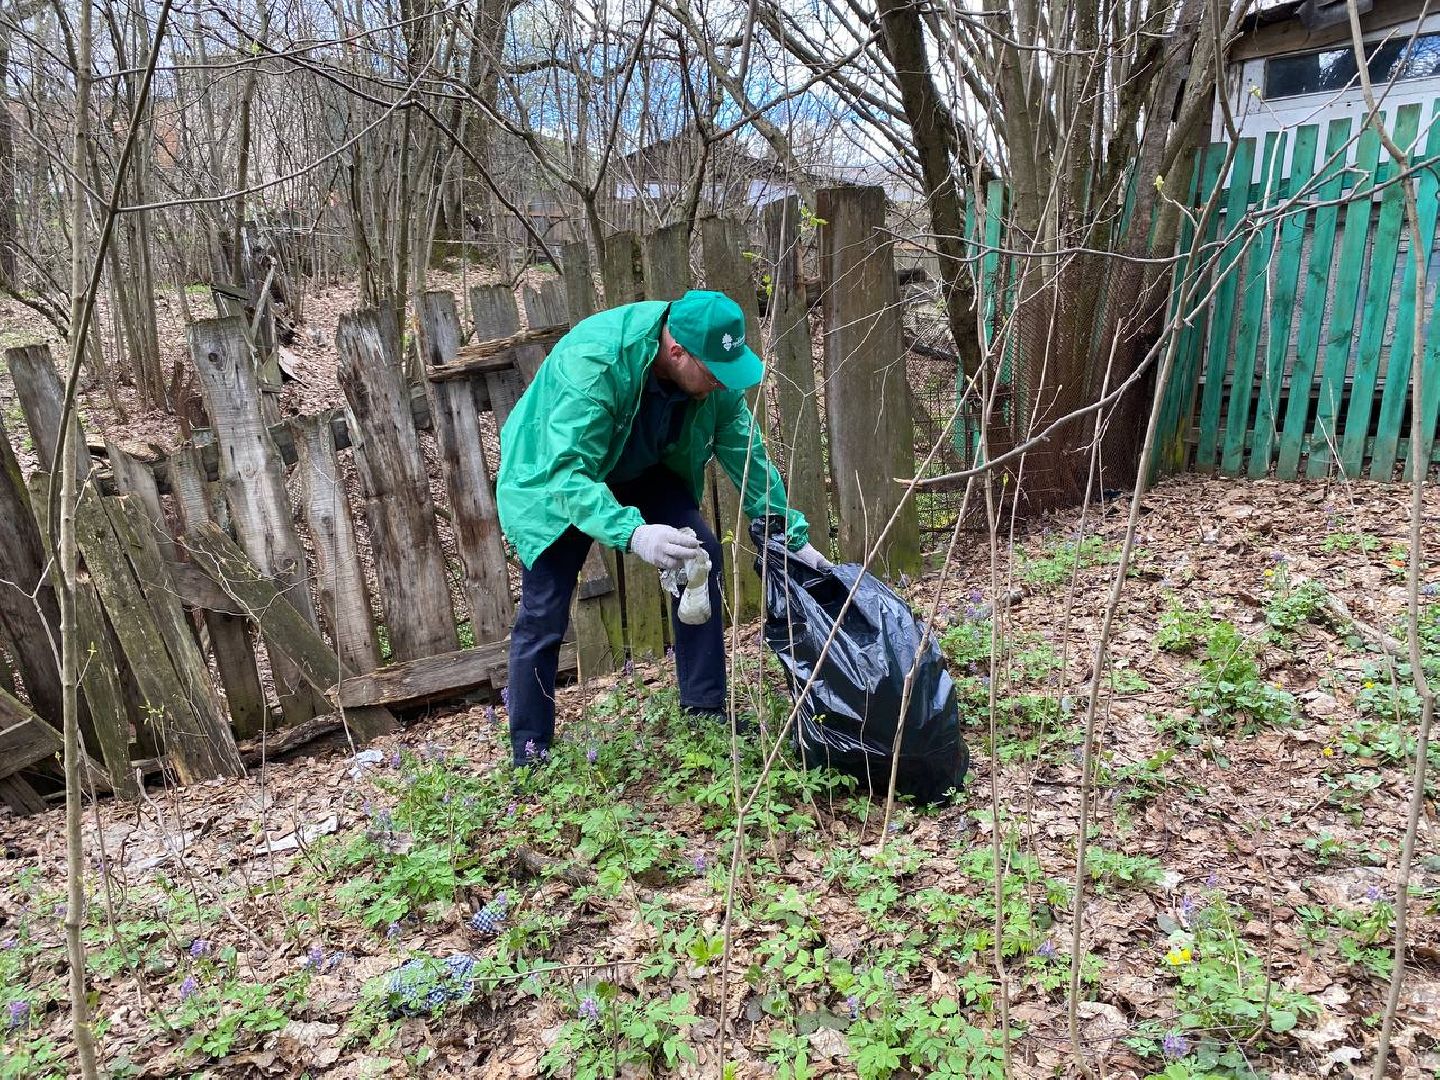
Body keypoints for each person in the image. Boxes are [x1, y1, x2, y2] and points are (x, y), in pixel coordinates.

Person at [496, 288, 829, 766]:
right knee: (544, 609)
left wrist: (789, 536)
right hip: (554, 475)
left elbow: (748, 456)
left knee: (702, 555)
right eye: (715, 373)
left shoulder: (713, 378)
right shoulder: (595, 364)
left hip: (643, 466)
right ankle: (530, 751)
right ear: (677, 352)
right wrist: (634, 533)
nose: (722, 383)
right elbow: (567, 472)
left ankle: (705, 708)